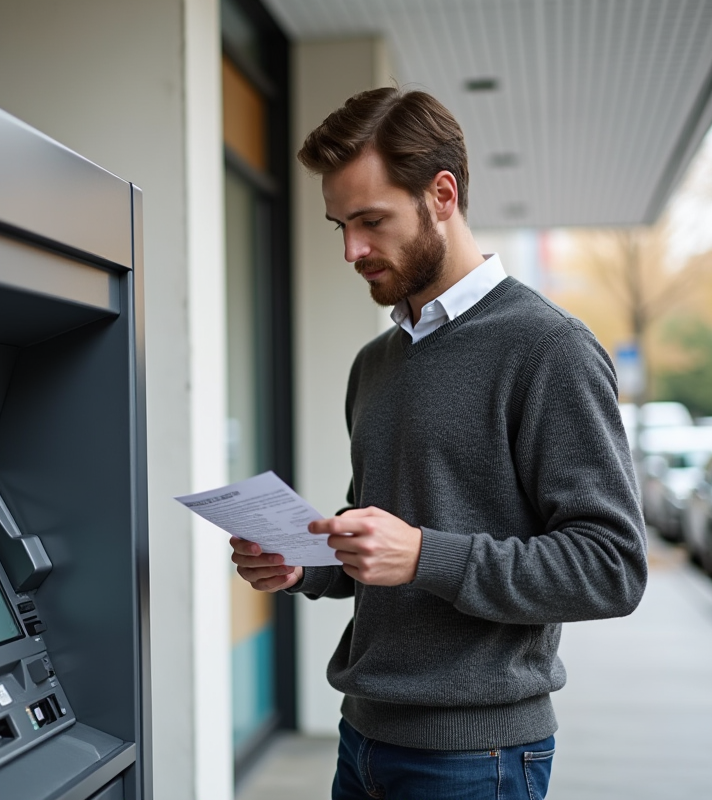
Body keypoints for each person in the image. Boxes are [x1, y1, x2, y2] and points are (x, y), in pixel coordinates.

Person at [229, 87, 648, 800]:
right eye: (339, 225)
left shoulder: (549, 348)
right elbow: (383, 534)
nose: (351, 249)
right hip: (362, 739)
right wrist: (304, 563)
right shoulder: (376, 362)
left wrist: (425, 553)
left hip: (475, 758)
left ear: (442, 194)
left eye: (370, 221)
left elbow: (611, 565)